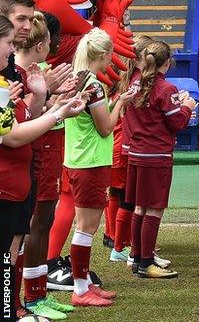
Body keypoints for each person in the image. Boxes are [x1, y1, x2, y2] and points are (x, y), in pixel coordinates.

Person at [0, 14, 85, 321]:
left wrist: (44, 99)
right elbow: (12, 136)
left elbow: (21, 120)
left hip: (18, 178)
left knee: (19, 237)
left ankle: (21, 305)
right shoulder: (8, 80)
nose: (12, 48)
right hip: (11, 179)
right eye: (8, 42)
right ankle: (20, 306)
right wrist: (54, 108)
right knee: (17, 239)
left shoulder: (12, 80)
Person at [64, 28, 135, 306]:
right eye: (112, 54)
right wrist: (120, 103)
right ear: (105, 54)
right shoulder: (93, 85)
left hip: (79, 158)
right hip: (91, 161)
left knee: (85, 226)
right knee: (86, 228)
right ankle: (80, 288)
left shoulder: (76, 78)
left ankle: (84, 283)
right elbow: (105, 128)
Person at [124, 40, 196, 277]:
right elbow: (177, 122)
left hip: (136, 154)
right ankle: (146, 263)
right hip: (156, 156)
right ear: (167, 63)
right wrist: (187, 106)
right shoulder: (166, 90)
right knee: (154, 209)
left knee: (139, 207)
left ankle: (136, 257)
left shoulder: (135, 83)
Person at [108, 35, 154, 265]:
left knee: (119, 195)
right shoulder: (137, 83)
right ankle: (119, 245)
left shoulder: (122, 79)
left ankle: (117, 239)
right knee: (127, 199)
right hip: (124, 147)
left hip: (119, 146)